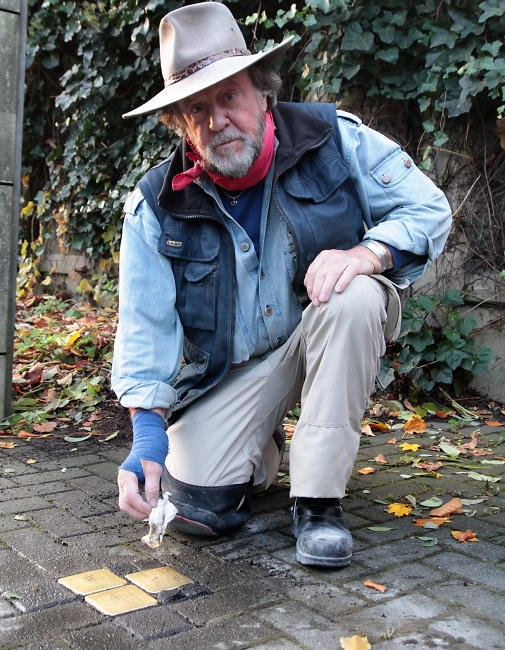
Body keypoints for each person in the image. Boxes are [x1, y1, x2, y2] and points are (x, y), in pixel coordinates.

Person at [112, 2, 452, 567]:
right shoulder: (154, 207)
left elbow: (428, 207)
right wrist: (147, 439)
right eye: (197, 108)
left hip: (323, 329)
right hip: (236, 371)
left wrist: (368, 252)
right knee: (198, 507)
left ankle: (318, 502)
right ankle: (262, 447)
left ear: (263, 93)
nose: (218, 119)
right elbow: (145, 329)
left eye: (229, 96)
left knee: (356, 293)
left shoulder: (333, 139)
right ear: (181, 126)